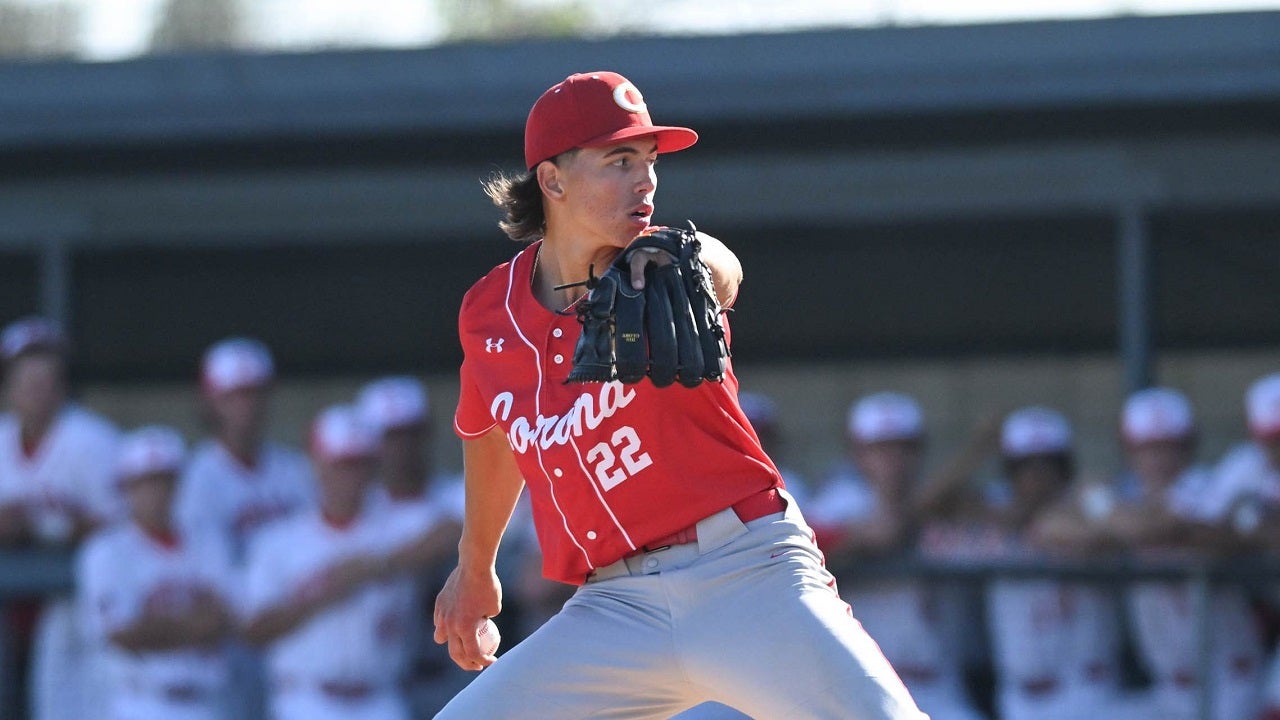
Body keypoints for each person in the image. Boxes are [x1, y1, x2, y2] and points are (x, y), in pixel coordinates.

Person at [431, 70, 925, 719]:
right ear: (552, 180)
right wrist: (475, 567)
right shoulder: (487, 312)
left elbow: (721, 266)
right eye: (619, 160)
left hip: (745, 572)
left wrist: (695, 263)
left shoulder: (660, 265)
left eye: (649, 160)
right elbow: (493, 429)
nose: (645, 180)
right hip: (613, 610)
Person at [918, 406, 1123, 720]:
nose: (1036, 476)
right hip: (1020, 700)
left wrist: (1069, 517)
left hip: (1091, 693)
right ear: (1010, 472)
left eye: (1047, 464)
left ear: (1065, 468)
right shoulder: (996, 527)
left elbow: (1117, 532)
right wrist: (977, 450)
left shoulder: (1089, 508)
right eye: (1024, 466)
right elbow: (922, 510)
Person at [807, 393, 988, 720]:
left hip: (941, 685)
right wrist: (973, 453)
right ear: (857, 453)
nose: (893, 459)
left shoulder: (955, 503)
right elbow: (885, 532)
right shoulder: (838, 502)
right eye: (880, 448)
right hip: (868, 686)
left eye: (904, 447)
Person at [1091, 387, 1263, 720]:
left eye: (1168, 446)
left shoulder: (1213, 487)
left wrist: (1107, 518)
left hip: (1230, 683)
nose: (1157, 459)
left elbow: (1155, 528)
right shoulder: (1123, 493)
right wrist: (1111, 513)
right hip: (1168, 690)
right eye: (1146, 448)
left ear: (1190, 445)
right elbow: (1053, 528)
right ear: (1128, 450)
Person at [242, 405, 414, 720]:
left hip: (380, 698)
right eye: (342, 465)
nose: (352, 476)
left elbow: (455, 526)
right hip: (307, 699)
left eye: (360, 464)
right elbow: (254, 630)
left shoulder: (396, 524)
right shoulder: (279, 540)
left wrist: (377, 565)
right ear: (318, 465)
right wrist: (322, 592)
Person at [175, 337, 316, 720]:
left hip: (294, 628)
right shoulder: (198, 478)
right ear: (211, 401)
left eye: (254, 393)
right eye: (234, 395)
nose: (246, 406)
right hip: (231, 640)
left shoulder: (295, 470)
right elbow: (210, 570)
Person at [0, 316, 121, 720]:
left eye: (47, 375)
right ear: (8, 385)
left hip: (74, 609)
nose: (37, 387)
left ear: (64, 382)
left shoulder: (95, 441)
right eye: (26, 376)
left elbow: (127, 523)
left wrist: (48, 527)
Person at [77, 426, 238, 720]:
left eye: (164, 480)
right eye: (145, 482)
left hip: (204, 702)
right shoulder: (106, 550)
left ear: (178, 483)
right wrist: (196, 623)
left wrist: (158, 626)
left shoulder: (207, 540)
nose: (156, 492)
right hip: (137, 701)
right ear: (126, 487)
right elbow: (125, 634)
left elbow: (226, 619)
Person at [355, 377, 470, 716]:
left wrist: (380, 565)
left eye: (411, 433)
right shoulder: (360, 509)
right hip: (380, 682)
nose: (402, 447)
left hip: (453, 672)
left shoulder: (452, 493)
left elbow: (456, 528)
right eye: (390, 436)